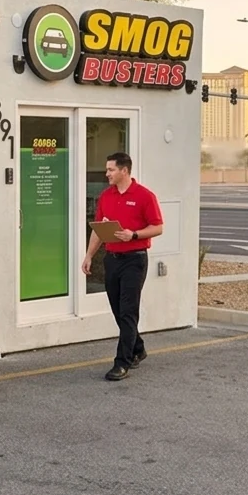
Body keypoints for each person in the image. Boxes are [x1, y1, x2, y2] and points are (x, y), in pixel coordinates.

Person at [81, 151, 163, 381]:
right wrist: (88, 255)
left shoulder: (145, 196)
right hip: (112, 259)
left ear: (124, 170)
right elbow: (99, 230)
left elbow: (158, 227)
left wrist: (134, 234)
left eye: (111, 170)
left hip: (134, 260)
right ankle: (137, 347)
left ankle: (122, 363)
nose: (106, 173)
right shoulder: (107, 196)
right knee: (118, 310)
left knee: (128, 311)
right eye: (107, 170)